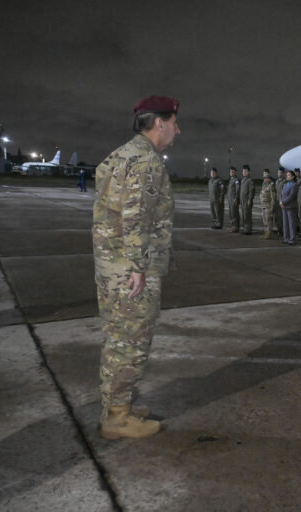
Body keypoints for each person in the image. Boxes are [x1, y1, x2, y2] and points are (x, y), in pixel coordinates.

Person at [92, 94, 179, 439]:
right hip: (130, 270)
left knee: (117, 337)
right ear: (159, 123)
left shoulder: (119, 155)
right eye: (174, 123)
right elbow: (135, 216)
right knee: (130, 340)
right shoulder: (146, 160)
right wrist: (138, 267)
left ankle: (116, 406)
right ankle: (117, 418)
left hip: (111, 265)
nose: (177, 130)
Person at [280, 169, 299, 244]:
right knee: (285, 223)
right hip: (284, 206)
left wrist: (283, 202)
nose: (287, 176)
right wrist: (280, 201)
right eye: (287, 175)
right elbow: (281, 194)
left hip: (291, 206)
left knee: (291, 223)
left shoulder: (294, 185)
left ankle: (292, 239)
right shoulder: (285, 184)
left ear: (293, 176)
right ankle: (286, 238)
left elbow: (292, 196)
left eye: (289, 175)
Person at [260, 169, 277, 239]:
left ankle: (269, 233)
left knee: (268, 220)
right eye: (264, 178)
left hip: (268, 205)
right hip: (263, 205)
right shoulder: (264, 185)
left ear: (269, 178)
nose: (264, 179)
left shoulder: (271, 186)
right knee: (264, 220)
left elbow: (273, 198)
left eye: (266, 178)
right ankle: (266, 232)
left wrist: (272, 207)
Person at [239, 164, 255, 235]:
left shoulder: (249, 180)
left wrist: (250, 199)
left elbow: (252, 190)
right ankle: (245, 228)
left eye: (245, 171)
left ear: (249, 172)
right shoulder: (243, 180)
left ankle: (248, 229)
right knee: (244, 215)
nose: (244, 172)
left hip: (247, 201)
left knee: (247, 215)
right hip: (243, 201)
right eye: (243, 171)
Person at [226, 166, 240, 232]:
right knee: (231, 213)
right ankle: (232, 226)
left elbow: (238, 189)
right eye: (230, 171)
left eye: (233, 171)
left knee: (234, 213)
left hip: (234, 199)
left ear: (235, 172)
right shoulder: (231, 179)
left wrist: (236, 198)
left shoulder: (236, 180)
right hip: (230, 199)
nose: (231, 173)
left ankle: (235, 227)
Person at [275, 167, 286, 235]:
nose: (279, 174)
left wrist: (282, 200)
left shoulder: (285, 181)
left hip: (282, 201)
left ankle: (283, 230)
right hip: (277, 201)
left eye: (281, 172)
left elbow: (284, 192)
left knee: (282, 216)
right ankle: (279, 229)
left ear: (283, 173)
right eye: (278, 172)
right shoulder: (277, 181)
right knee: (277, 216)